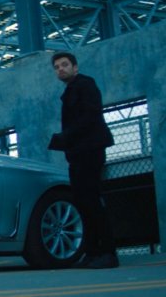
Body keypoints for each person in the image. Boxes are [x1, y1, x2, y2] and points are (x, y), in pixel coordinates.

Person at [48, 52, 118, 269]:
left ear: (75, 67)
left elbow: (90, 116)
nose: (60, 69)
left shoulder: (85, 85)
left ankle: (107, 252)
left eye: (65, 65)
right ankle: (93, 251)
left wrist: (64, 138)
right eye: (57, 67)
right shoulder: (70, 90)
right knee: (83, 202)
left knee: (91, 201)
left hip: (89, 151)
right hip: (79, 153)